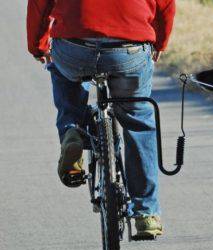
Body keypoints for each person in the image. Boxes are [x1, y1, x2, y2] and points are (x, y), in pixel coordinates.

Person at [26, 0, 176, 237]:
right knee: (137, 121)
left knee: (63, 74)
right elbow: (166, 5)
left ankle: (72, 130)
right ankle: (146, 213)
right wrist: (160, 42)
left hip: (74, 49)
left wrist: (38, 46)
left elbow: (39, 4)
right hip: (128, 51)